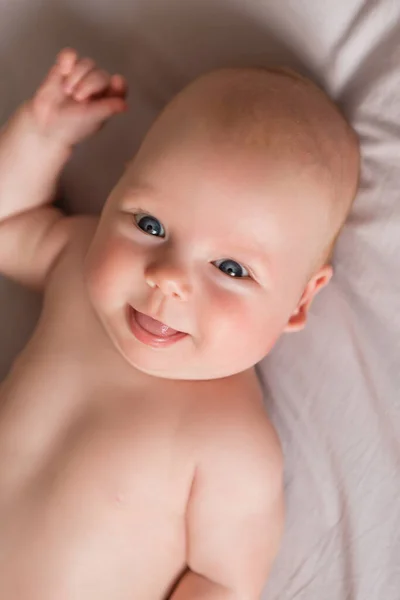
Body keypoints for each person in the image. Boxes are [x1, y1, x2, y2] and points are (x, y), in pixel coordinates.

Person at [0, 48, 359, 599]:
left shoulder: (232, 442)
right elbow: (9, 225)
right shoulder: (75, 261)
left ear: (296, 303)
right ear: (118, 190)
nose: (168, 277)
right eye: (150, 223)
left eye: (231, 268)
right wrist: (43, 136)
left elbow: (222, 582)